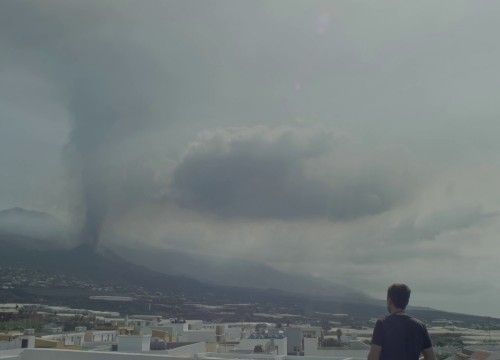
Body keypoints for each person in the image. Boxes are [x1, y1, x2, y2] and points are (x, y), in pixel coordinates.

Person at [367, 284, 436, 360]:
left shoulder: (382, 323)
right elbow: (431, 358)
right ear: (407, 301)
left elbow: (373, 358)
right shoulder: (420, 326)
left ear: (389, 300)